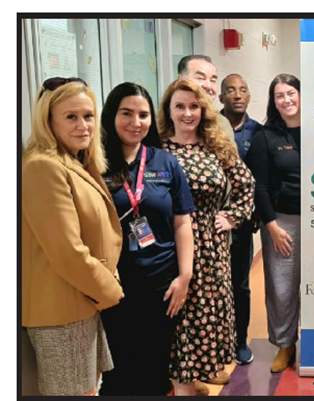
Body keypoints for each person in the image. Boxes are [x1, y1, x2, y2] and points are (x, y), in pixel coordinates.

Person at [22, 77, 124, 395]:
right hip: (62, 312)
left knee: (89, 389)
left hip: (80, 302)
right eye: (71, 117)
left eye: (88, 116)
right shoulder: (43, 167)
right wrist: (110, 289)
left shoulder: (71, 161)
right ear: (48, 120)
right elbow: (67, 251)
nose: (83, 126)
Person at [158, 79, 255, 395]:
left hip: (212, 250)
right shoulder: (156, 149)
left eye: (193, 106)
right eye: (180, 106)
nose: (187, 113)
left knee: (207, 317)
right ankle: (180, 382)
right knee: (178, 315)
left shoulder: (217, 145)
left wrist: (231, 216)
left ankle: (197, 377)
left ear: (203, 110)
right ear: (168, 111)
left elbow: (246, 186)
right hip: (170, 246)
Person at [98, 83, 195, 395]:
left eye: (143, 115)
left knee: (155, 368)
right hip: (114, 283)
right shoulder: (94, 163)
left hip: (161, 283)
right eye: (126, 113)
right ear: (111, 115)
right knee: (118, 371)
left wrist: (185, 275)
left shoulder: (164, 162)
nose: (135, 122)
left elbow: (182, 222)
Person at [246, 74, 303, 373]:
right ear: (273, 101)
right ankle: (285, 344)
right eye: (279, 95)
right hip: (282, 223)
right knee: (282, 285)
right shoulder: (265, 137)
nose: (286, 99)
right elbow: (260, 187)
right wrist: (271, 226)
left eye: (291, 92)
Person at [219, 73, 262, 365]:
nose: (237, 94)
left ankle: (240, 340)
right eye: (230, 90)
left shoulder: (258, 132)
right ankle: (217, 342)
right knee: (213, 285)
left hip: (243, 222)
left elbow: (259, 177)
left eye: (243, 90)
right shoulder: (209, 127)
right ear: (220, 97)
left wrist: (255, 212)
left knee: (240, 283)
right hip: (211, 221)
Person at [177, 55, 236, 147]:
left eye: (213, 80)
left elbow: (232, 160)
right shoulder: (162, 123)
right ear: (180, 80)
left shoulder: (221, 123)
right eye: (200, 78)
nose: (208, 86)